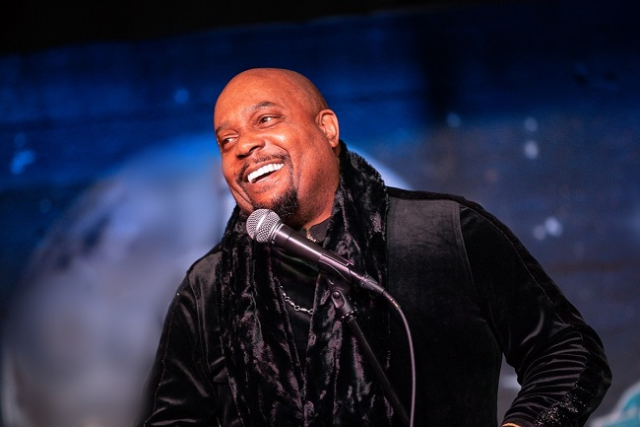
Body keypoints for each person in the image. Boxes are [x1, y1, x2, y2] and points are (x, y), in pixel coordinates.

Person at [136, 68, 611, 427]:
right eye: (227, 140)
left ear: (327, 129)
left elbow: (568, 352)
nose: (244, 146)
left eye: (266, 119)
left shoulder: (443, 232)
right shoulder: (210, 288)